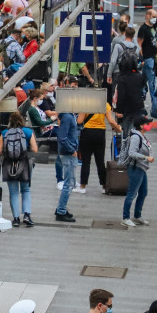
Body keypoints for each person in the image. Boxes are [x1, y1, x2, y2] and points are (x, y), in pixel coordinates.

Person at [0, 111, 38, 227]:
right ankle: (27, 215)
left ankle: (15, 218)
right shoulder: (28, 132)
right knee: (25, 190)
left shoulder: (4, 133)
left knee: (13, 192)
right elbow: (35, 149)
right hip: (24, 164)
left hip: (9, 164)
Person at [78, 99, 118, 191]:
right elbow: (111, 121)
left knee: (86, 161)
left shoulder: (84, 103)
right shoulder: (105, 104)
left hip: (87, 132)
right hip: (100, 133)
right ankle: (104, 186)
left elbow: (79, 121)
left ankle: (83, 186)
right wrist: (117, 129)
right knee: (100, 161)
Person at [55, 95, 80, 223]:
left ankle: (61, 207)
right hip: (69, 153)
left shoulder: (68, 116)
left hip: (67, 152)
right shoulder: (68, 117)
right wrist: (72, 150)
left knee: (70, 182)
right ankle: (61, 210)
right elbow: (62, 137)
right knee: (69, 183)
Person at [137, 10, 157, 115]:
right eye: (153, 16)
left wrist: (156, 15)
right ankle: (156, 110)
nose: (155, 18)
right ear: (147, 16)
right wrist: (142, 58)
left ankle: (141, 107)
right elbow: (139, 44)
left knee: (143, 84)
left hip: (152, 58)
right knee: (152, 85)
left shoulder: (153, 26)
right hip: (148, 59)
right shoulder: (143, 29)